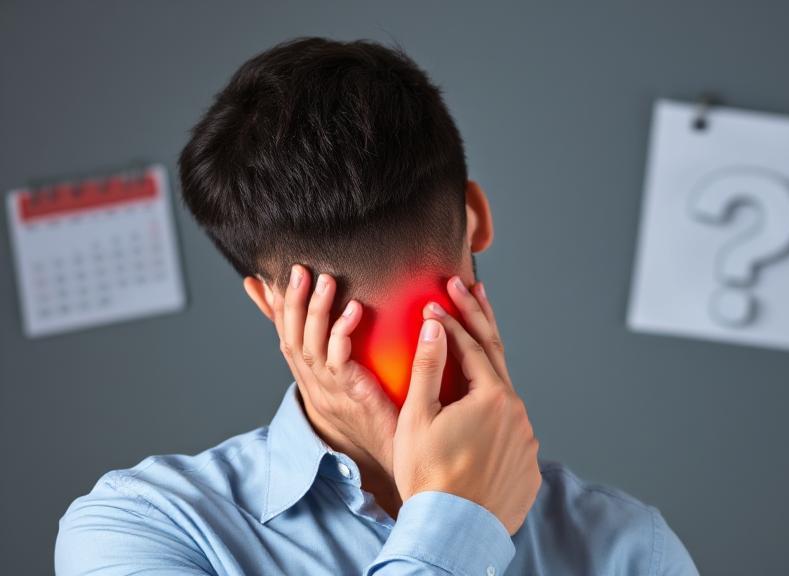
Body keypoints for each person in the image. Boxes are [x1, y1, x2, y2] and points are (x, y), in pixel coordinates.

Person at [55, 37, 699, 575]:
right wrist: (457, 521)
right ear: (475, 217)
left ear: (267, 300)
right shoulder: (140, 531)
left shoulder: (631, 550)